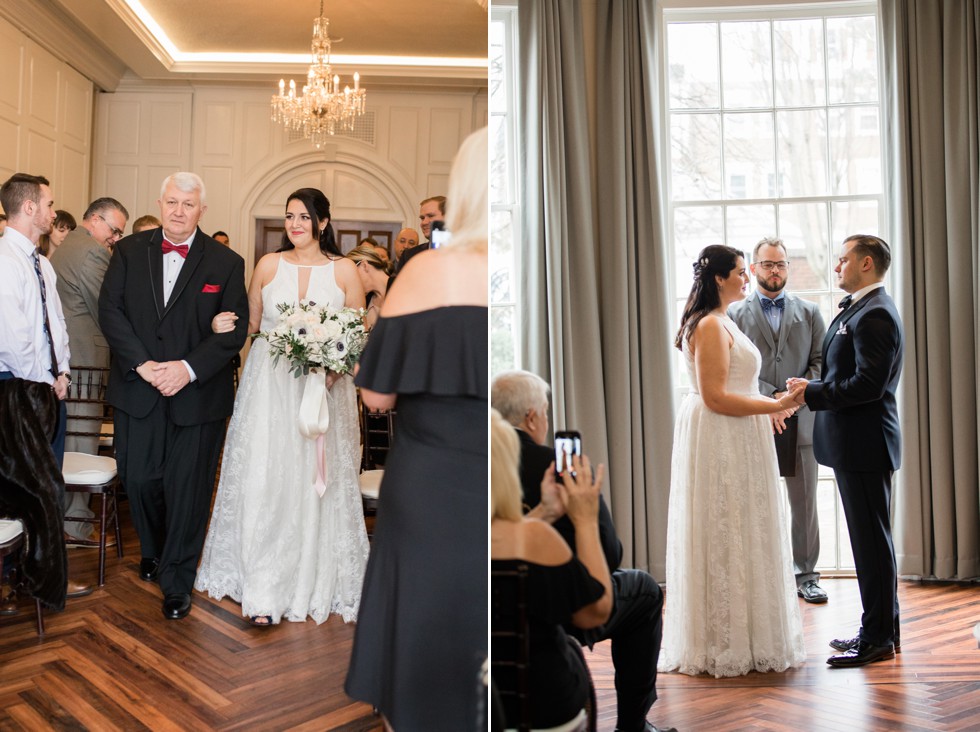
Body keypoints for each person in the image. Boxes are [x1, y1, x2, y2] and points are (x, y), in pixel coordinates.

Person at [345, 129, 488, 730]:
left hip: (430, 482)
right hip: (503, 478)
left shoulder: (429, 271)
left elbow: (376, 396)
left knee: (428, 627)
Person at [195, 187, 369, 626]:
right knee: (267, 477)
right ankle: (263, 583)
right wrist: (215, 323)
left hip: (324, 391)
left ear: (323, 223)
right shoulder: (269, 265)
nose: (295, 224)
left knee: (314, 481)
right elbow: (251, 327)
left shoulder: (345, 270)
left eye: (304, 217)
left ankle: (312, 576)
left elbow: (357, 336)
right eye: (289, 216)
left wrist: (332, 369)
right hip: (268, 389)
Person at [98, 172, 248, 621]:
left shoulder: (226, 262)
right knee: (140, 479)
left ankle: (177, 580)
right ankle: (156, 548)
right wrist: (144, 365)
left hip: (197, 396)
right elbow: (111, 311)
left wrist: (185, 369)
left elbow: (234, 330)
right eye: (172, 202)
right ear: (160, 204)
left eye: (188, 204)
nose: (179, 211)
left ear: (202, 210)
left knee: (188, 490)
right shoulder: (127, 252)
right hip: (138, 388)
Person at [492, 370, 674, 732]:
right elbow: (608, 561)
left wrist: (543, 513)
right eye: (543, 412)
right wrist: (585, 518)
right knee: (646, 590)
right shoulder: (563, 471)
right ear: (532, 417)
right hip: (566, 623)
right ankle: (633, 724)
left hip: (499, 642)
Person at [659, 244, 806, 678]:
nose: (749, 277)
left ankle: (752, 630)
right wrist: (774, 403)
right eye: (742, 272)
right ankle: (721, 639)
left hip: (739, 435)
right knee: (725, 526)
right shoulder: (707, 325)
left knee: (746, 526)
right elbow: (717, 397)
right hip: (720, 436)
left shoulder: (724, 320)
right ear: (720, 278)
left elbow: (736, 387)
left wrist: (776, 405)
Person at [787, 234, 904, 668]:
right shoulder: (860, 308)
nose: (836, 267)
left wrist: (810, 392)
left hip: (865, 446)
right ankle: (881, 630)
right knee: (872, 545)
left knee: (872, 546)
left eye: (842, 260)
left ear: (867, 263)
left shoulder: (875, 315)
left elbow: (868, 387)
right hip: (855, 445)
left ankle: (876, 638)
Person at [0, 173, 92, 600]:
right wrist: (41, 386)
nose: (55, 213)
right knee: (34, 489)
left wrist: (64, 373)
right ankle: (30, 579)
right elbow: (13, 337)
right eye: (50, 204)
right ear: (30, 208)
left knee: (48, 482)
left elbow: (56, 326)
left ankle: (34, 578)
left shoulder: (43, 263)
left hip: (48, 388)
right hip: (18, 389)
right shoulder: (4, 259)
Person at [490, 408, 611, 732]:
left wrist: (544, 510)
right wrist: (584, 519)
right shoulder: (535, 538)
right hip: (539, 706)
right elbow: (594, 613)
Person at [728, 237, 828, 604]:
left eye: (781, 264)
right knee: (752, 502)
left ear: (788, 267)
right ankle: (760, 578)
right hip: (754, 421)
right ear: (754, 269)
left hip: (801, 422)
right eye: (767, 264)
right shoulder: (734, 314)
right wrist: (772, 399)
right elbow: (734, 369)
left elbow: (820, 363)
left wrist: (794, 400)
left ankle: (807, 575)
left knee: (805, 505)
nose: (775, 270)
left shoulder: (811, 312)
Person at [51, 197, 130, 543]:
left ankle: (67, 520)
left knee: (71, 443)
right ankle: (75, 525)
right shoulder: (91, 251)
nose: (115, 239)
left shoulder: (69, 244)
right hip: (84, 364)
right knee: (81, 444)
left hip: (73, 361)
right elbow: (107, 309)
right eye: (114, 230)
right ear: (94, 220)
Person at [346, 242, 392, 330]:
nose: (350, 281)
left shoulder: (402, 289)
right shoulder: (364, 300)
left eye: (351, 274)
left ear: (364, 265)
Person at [394, 197, 444, 273]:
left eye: (430, 216)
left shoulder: (465, 252)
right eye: (422, 218)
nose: (424, 222)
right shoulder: (409, 255)